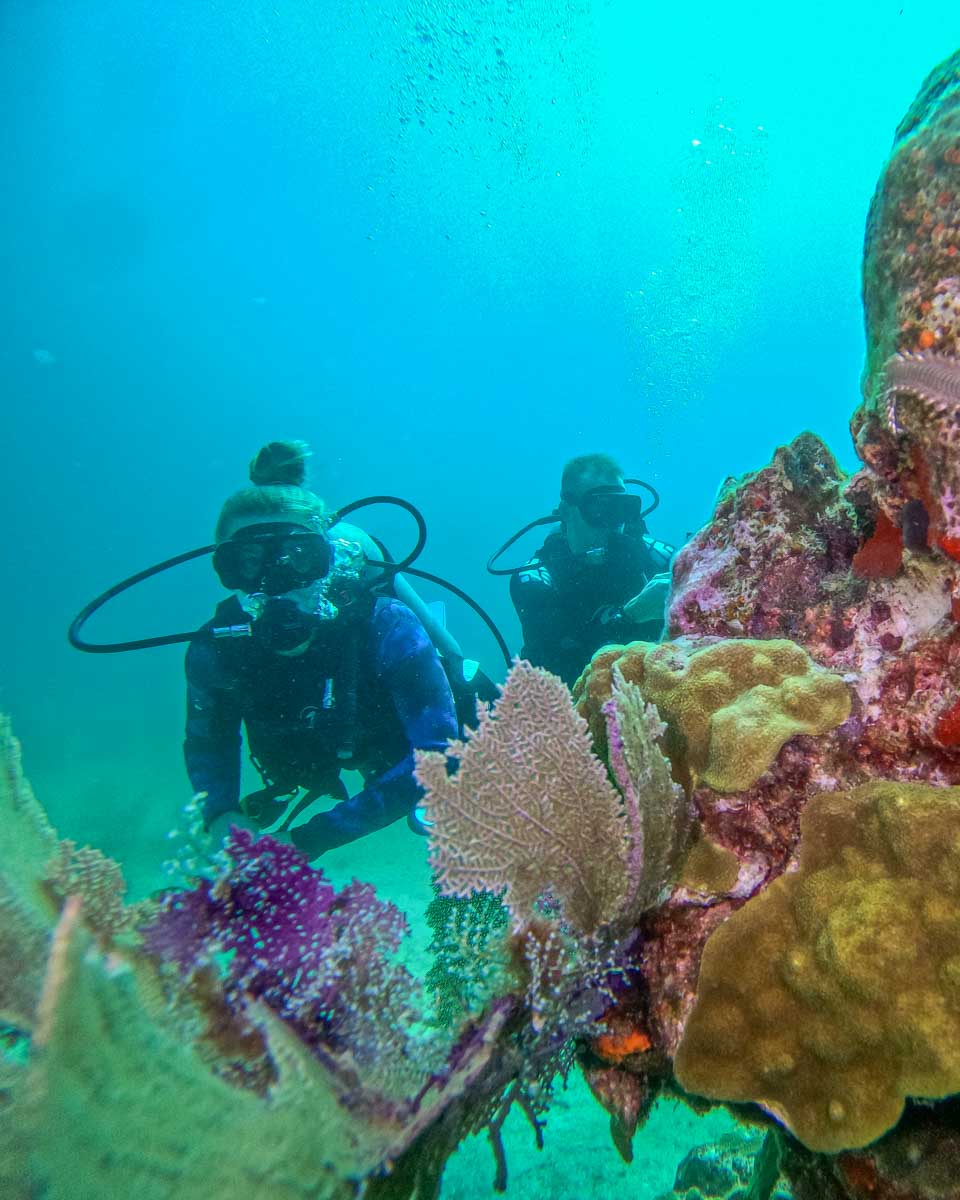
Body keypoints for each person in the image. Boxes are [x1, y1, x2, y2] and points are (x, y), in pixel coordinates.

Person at [184, 440, 459, 858]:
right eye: (250, 562)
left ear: (327, 560)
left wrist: (308, 840)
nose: (278, 583)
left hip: (387, 747)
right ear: (227, 569)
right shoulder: (216, 651)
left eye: (299, 558)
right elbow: (210, 742)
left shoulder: (386, 626)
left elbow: (438, 754)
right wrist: (221, 816)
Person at [510, 453, 675, 686]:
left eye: (619, 510)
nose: (611, 526)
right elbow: (558, 663)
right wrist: (631, 615)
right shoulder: (536, 579)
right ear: (566, 511)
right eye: (598, 509)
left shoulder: (655, 556)